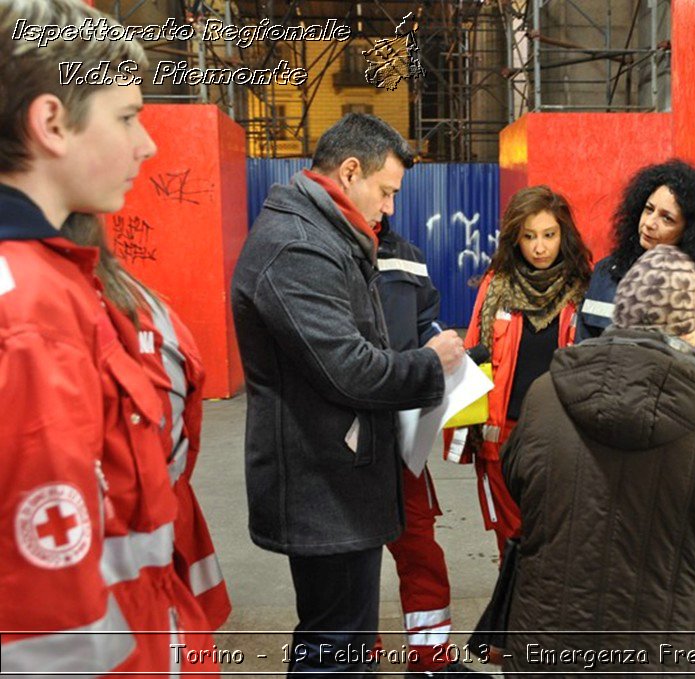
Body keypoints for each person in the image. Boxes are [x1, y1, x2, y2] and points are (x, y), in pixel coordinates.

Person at [0, 1, 218, 674]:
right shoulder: (33, 314)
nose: (146, 144)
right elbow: (46, 632)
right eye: (127, 117)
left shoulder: (54, 281)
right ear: (52, 123)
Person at [231, 113, 465, 676]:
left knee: (349, 640)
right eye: (385, 192)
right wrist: (429, 365)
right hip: (321, 486)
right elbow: (351, 370)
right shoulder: (298, 248)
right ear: (351, 169)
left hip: (342, 476)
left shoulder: (326, 234)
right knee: (333, 644)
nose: (389, 208)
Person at [501, 245, 695, 676]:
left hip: (547, 640)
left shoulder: (546, 393)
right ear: (692, 329)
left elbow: (518, 483)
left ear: (620, 315)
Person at [62, 213, 232, 629]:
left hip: (107, 553)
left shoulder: (58, 303)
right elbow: (184, 423)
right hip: (155, 529)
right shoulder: (144, 304)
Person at [445, 185, 591, 560]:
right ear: (516, 239)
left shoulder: (583, 290)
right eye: (529, 237)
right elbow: (472, 358)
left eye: (549, 235)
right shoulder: (497, 286)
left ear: (564, 235)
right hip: (502, 437)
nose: (539, 247)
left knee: (557, 543)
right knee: (512, 545)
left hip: (561, 438)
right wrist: (463, 438)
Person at [375, 216, 474, 676]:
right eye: (386, 189)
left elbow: (424, 319)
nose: (390, 202)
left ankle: (430, 660)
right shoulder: (317, 250)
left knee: (420, 549)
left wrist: (443, 348)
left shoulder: (406, 255)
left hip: (400, 438)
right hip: (340, 441)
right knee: (348, 562)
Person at [577, 159, 695, 400]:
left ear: (691, 231)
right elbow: (582, 358)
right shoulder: (608, 273)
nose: (649, 223)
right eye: (648, 209)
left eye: (667, 218)